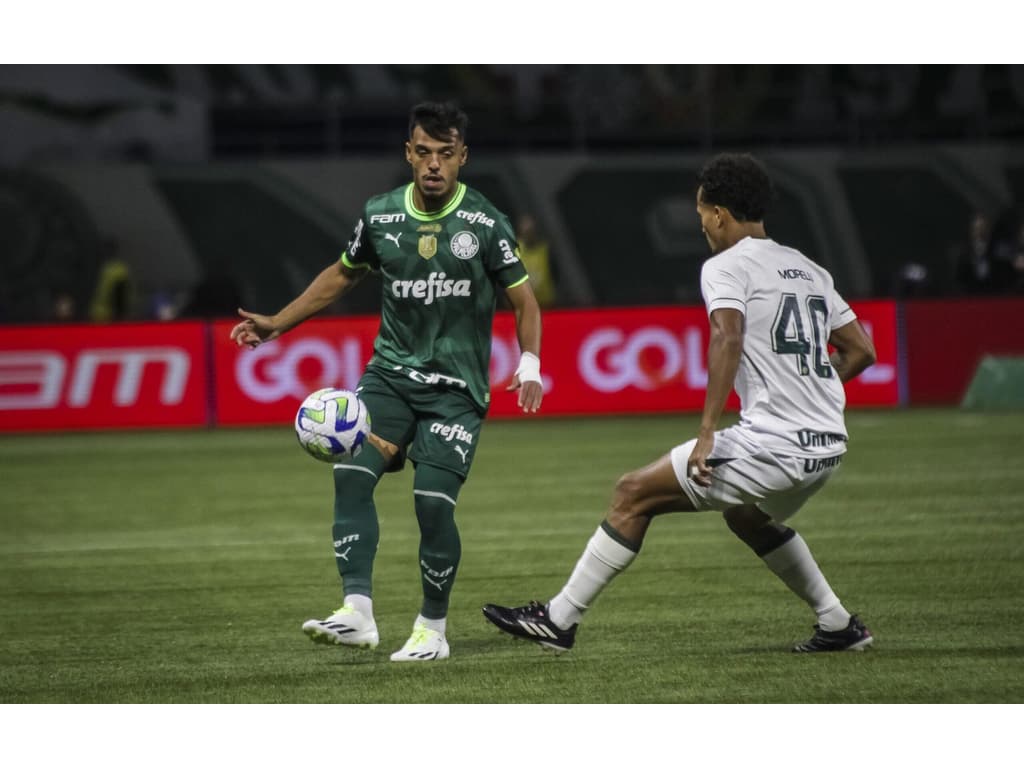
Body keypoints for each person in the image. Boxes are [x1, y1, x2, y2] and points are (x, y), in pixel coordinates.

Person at [483, 152, 877, 654]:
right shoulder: (807, 267)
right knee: (746, 516)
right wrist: (819, 392)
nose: (701, 223)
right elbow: (862, 350)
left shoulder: (725, 267)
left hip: (776, 444)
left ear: (718, 213)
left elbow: (727, 338)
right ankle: (838, 624)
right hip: (827, 446)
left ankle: (558, 620)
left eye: (701, 212)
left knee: (632, 493)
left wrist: (708, 431)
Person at [230, 101, 544, 662]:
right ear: (408, 153)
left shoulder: (485, 223)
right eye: (424, 152)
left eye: (446, 155)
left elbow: (523, 300)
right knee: (351, 472)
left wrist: (529, 364)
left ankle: (432, 629)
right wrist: (278, 323)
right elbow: (341, 276)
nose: (433, 165)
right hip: (390, 377)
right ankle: (358, 613)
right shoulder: (380, 216)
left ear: (462, 159)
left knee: (432, 504)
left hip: (456, 391)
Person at [515, 212, 557, 308]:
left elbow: (555, 274)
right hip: (522, 305)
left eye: (531, 232)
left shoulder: (545, 250)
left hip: (545, 304)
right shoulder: (513, 249)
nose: (528, 236)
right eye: (526, 232)